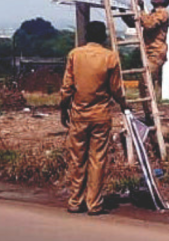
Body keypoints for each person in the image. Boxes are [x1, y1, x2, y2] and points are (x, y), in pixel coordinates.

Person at [60, 21, 129, 216]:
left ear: (86, 35)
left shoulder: (75, 55)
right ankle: (94, 204)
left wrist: (63, 109)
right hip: (100, 115)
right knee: (97, 160)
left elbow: (67, 87)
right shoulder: (110, 57)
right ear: (103, 36)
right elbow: (116, 89)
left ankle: (75, 201)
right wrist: (124, 105)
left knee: (77, 159)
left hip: (79, 115)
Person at [134, 0, 169, 100]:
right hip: (149, 52)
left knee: (146, 82)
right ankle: (149, 112)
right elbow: (142, 21)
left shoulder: (162, 13)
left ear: (162, 0)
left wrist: (141, 8)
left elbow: (148, 24)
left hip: (156, 53)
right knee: (146, 83)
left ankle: (151, 112)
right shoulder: (153, 13)